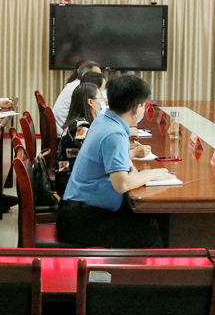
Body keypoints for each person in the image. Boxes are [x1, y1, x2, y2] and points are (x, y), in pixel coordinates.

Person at [57, 74, 175, 248]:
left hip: (79, 209)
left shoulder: (103, 121)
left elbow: (125, 166)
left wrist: (135, 172)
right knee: (152, 236)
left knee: (149, 218)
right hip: (80, 218)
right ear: (137, 108)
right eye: (144, 105)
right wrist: (152, 173)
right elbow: (122, 184)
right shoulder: (114, 133)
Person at [55, 82, 150, 195]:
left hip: (77, 181)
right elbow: (101, 159)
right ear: (91, 102)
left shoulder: (91, 122)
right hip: (69, 182)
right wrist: (135, 156)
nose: (104, 102)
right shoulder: (81, 127)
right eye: (100, 98)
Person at [53, 61, 102, 136]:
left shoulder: (76, 85)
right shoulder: (79, 89)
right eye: (96, 76)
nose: (99, 79)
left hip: (67, 128)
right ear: (84, 75)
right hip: (68, 132)